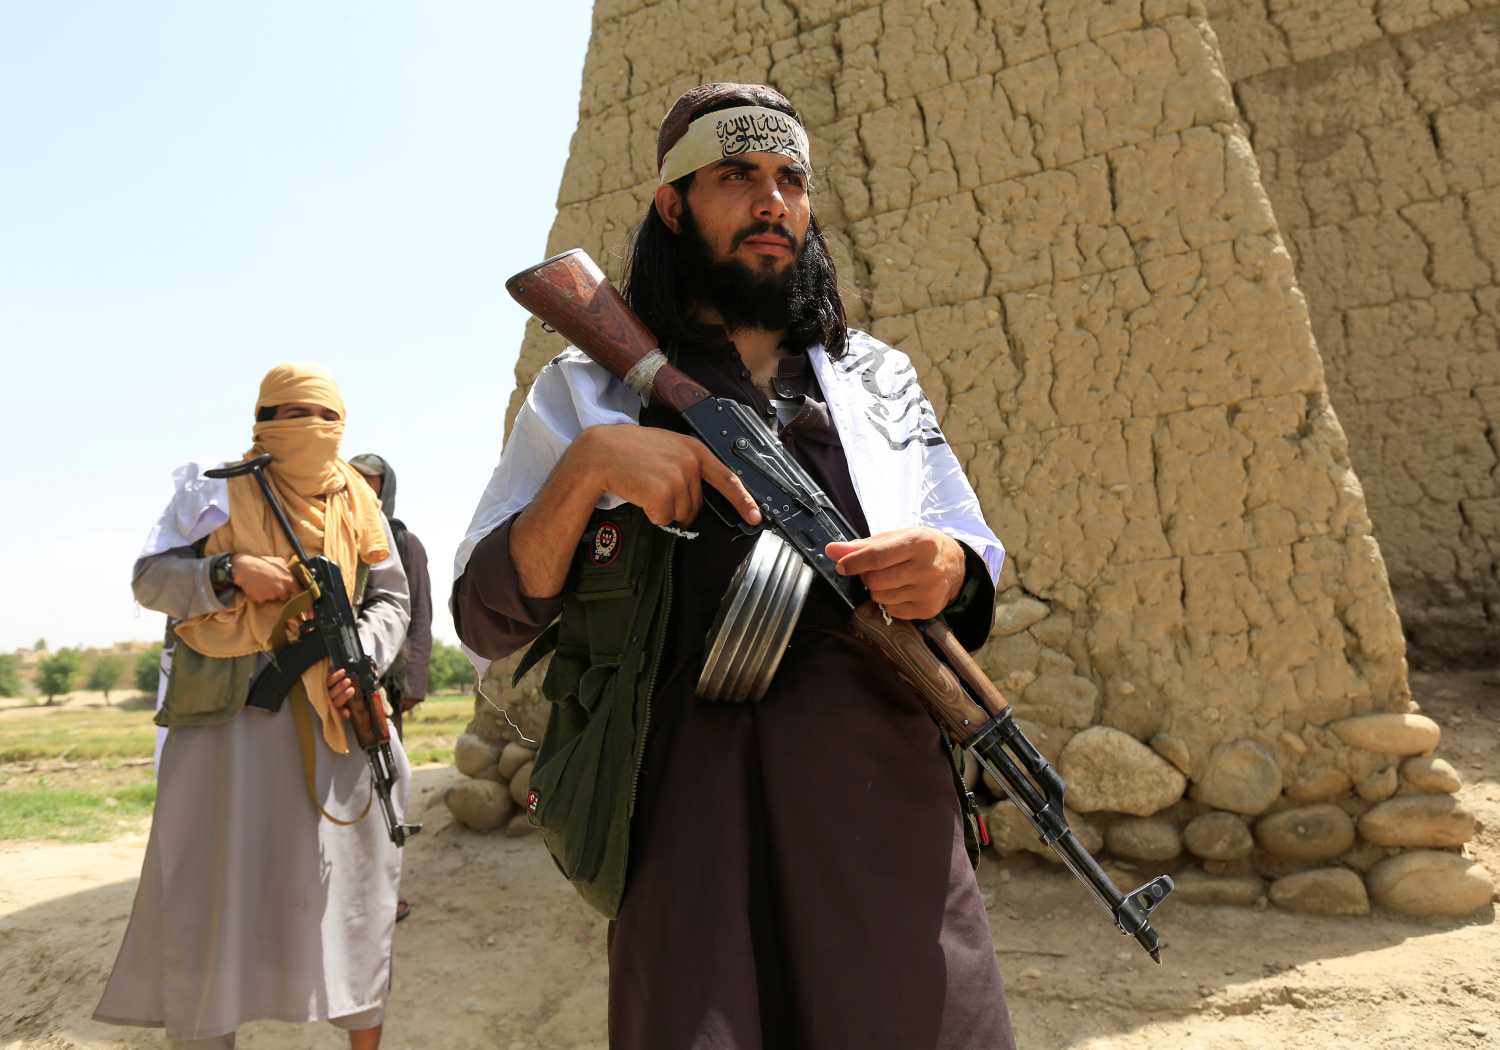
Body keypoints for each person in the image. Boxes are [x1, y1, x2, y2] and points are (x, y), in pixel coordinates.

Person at [453, 83, 1015, 1048]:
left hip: (884, 807)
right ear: (674, 207)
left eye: (790, 180)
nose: (772, 202)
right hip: (686, 817)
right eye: (737, 177)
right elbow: (484, 615)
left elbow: (970, 547)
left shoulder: (877, 379)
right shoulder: (589, 389)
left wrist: (950, 566)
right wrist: (589, 471)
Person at [96, 364, 412, 1050]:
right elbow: (150, 580)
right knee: (213, 899)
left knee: (354, 893)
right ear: (258, 420)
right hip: (225, 726)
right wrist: (228, 573)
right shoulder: (210, 493)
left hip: (333, 714)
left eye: (319, 417)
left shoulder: (358, 500)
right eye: (284, 414)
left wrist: (361, 657)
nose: (303, 431)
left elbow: (392, 598)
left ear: (340, 425)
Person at [350, 452, 432, 925]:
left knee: (383, 785)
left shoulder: (403, 541)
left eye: (372, 483)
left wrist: (414, 681)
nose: (363, 490)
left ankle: (383, 895)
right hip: (330, 685)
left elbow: (418, 613)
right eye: (356, 480)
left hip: (384, 686)